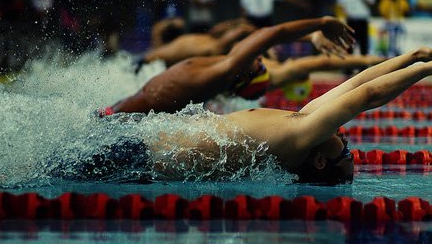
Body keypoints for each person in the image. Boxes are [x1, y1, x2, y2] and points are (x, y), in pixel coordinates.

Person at [68, 46, 432, 186]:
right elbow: (359, 85)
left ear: (320, 162)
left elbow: (367, 97)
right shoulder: (298, 126)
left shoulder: (299, 138)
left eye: (347, 153)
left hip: (135, 158)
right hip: (140, 147)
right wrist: (414, 58)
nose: (349, 141)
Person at [101, 16, 358, 115]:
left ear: (241, 76)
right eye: (259, 62)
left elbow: (273, 33)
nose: (258, 58)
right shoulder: (221, 66)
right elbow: (260, 33)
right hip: (120, 113)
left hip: (115, 119)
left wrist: (322, 23)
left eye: (256, 65)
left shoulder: (222, 72)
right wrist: (313, 32)